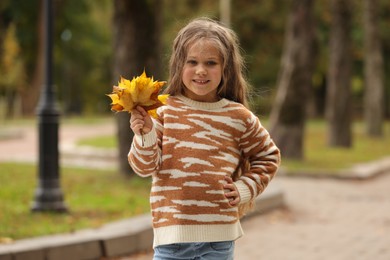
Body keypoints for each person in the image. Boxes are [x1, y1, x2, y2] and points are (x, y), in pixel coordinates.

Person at [128, 17, 281, 260]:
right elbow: (144, 167)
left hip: (218, 242)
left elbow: (268, 155)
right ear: (179, 65)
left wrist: (244, 188)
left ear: (225, 68)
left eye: (211, 63)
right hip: (172, 242)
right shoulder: (163, 110)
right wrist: (145, 134)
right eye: (193, 62)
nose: (201, 70)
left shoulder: (238, 116)